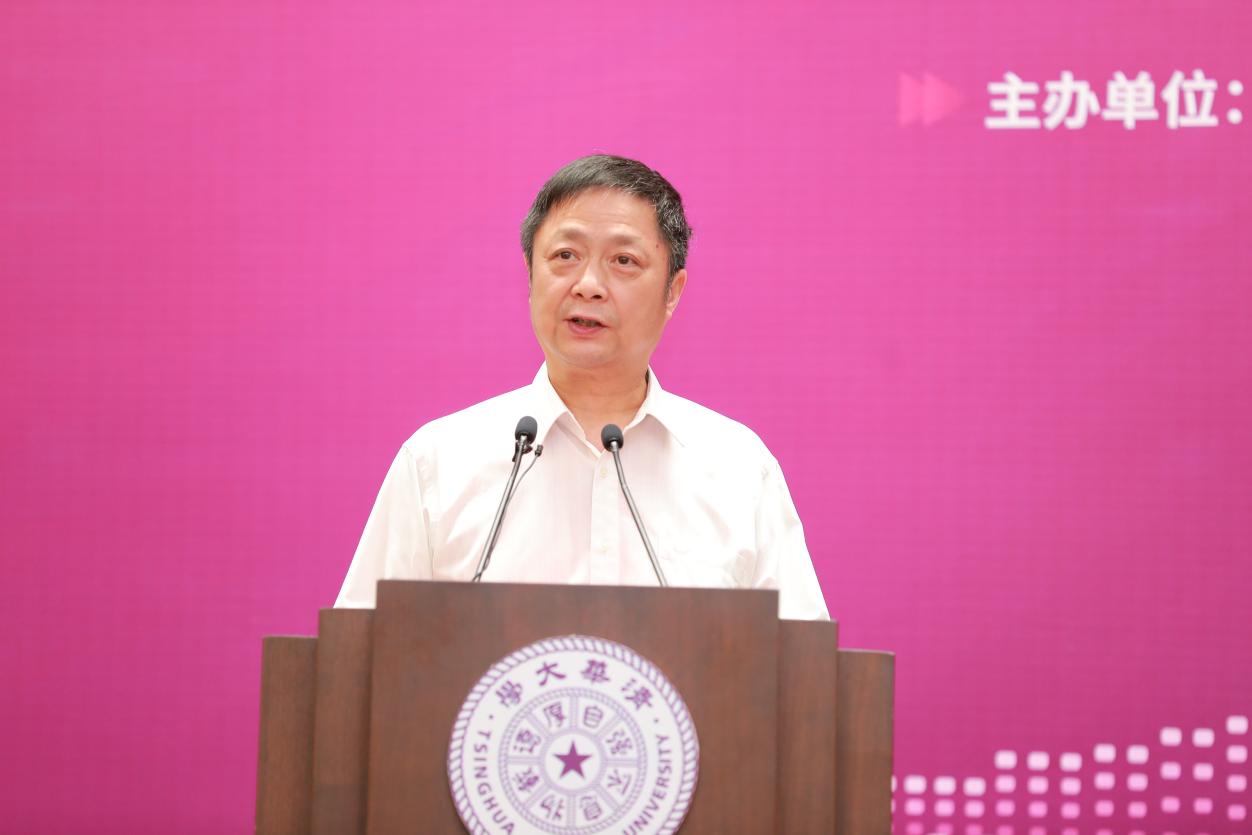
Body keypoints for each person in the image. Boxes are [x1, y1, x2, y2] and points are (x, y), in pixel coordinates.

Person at [334, 154, 828, 620]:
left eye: (624, 261)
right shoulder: (437, 462)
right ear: (530, 275)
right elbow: (362, 656)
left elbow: (799, 667)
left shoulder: (739, 469)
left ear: (672, 291)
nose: (588, 284)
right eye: (565, 255)